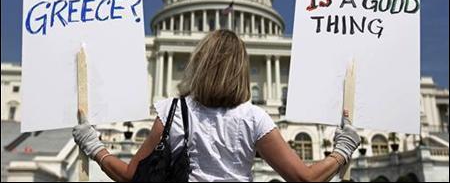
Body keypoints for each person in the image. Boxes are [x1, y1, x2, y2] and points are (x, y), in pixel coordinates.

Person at [73, 29, 360, 182]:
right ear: (241, 69)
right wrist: (341, 151)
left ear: (200, 63)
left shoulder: (172, 112)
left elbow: (132, 177)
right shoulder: (254, 118)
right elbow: (305, 179)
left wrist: (95, 147)